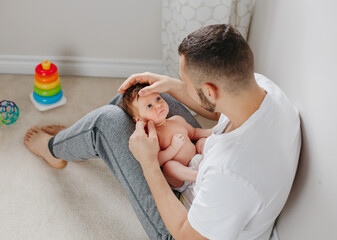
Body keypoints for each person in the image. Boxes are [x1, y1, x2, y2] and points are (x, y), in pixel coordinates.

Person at [24, 24, 301, 240]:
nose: (180, 85)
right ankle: (82, 139)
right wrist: (168, 85)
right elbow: (221, 110)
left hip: (183, 225)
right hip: (204, 175)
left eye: (185, 82)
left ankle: (58, 148)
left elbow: (185, 234)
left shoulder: (232, 174)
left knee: (106, 123)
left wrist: (149, 164)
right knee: (146, 99)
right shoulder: (265, 90)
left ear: (209, 91)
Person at [119, 83, 211, 191]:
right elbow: (157, 160)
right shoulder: (152, 136)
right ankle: (200, 176)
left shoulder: (177, 119)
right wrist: (173, 148)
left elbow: (194, 133)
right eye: (149, 106)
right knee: (169, 167)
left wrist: (211, 132)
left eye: (158, 98)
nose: (158, 105)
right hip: (180, 179)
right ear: (138, 119)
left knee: (202, 142)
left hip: (197, 159)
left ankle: (214, 161)